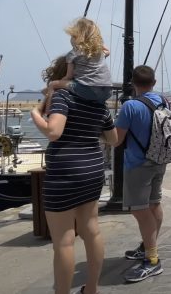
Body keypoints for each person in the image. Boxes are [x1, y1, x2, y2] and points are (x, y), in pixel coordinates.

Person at [31, 55, 117, 294]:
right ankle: (91, 289)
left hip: (65, 171)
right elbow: (113, 139)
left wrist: (35, 115)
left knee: (64, 241)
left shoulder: (63, 96)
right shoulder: (98, 103)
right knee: (92, 231)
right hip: (92, 169)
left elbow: (54, 132)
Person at [114, 66, 167, 283]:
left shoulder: (130, 106)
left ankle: (152, 260)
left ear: (133, 83)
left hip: (138, 165)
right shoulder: (163, 100)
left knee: (140, 210)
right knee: (154, 204)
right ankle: (147, 246)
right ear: (153, 82)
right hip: (159, 160)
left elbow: (116, 139)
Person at [47, 18, 113, 104]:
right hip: (107, 92)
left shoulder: (72, 54)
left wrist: (61, 81)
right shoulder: (99, 53)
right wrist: (98, 44)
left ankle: (48, 111)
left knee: (53, 85)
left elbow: (69, 76)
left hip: (88, 90)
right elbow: (107, 51)